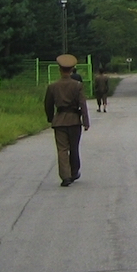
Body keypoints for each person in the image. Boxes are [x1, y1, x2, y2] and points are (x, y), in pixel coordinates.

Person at [44, 54, 90, 187]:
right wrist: (85, 121)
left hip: (59, 121)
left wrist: (51, 118)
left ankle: (65, 176)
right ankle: (74, 171)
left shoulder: (53, 86)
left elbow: (48, 104)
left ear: (59, 69)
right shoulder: (77, 85)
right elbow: (83, 104)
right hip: (74, 120)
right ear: (72, 69)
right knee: (74, 147)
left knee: (62, 149)